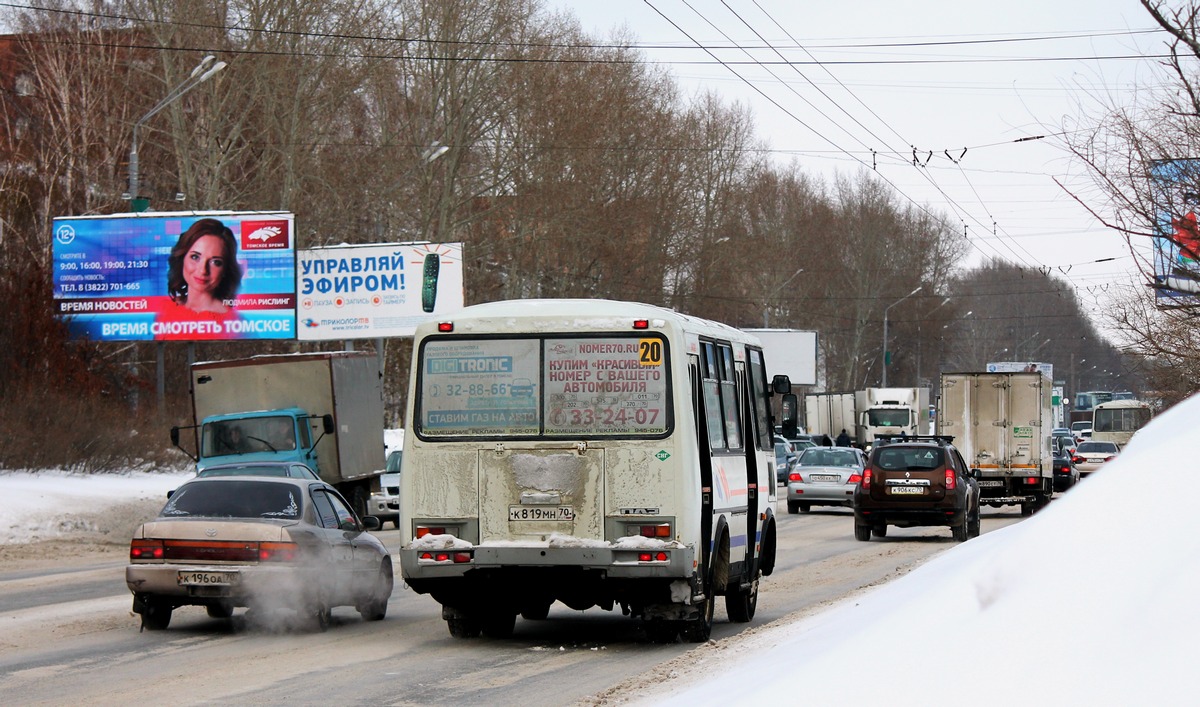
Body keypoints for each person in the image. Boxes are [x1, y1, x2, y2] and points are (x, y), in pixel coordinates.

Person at [161, 218, 242, 316]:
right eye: (195, 257)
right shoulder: (166, 311)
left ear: (225, 269)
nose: (203, 270)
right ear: (182, 258)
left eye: (216, 262)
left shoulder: (233, 323)